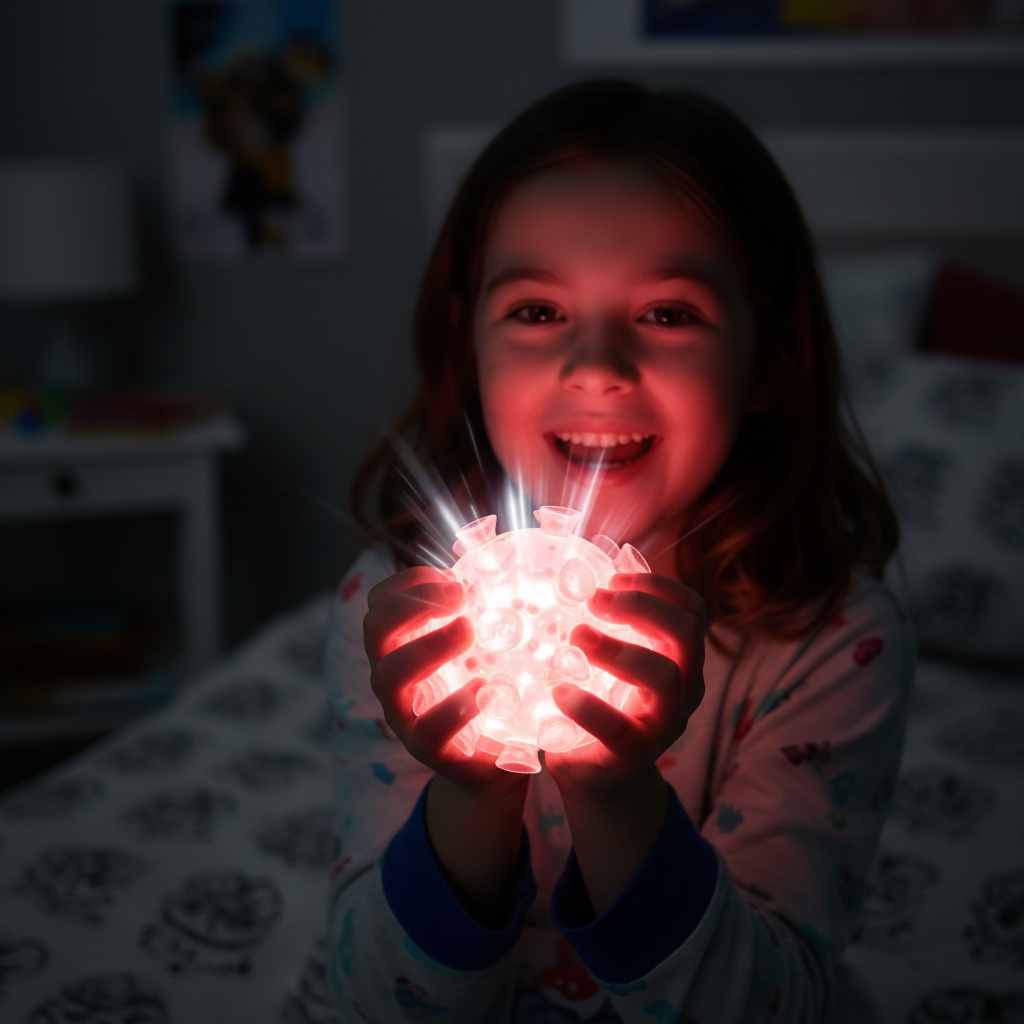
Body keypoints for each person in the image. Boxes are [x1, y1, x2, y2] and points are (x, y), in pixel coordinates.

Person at [324, 79, 912, 1023]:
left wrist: (616, 797)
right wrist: (473, 790)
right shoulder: (397, 615)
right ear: (467, 345)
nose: (597, 366)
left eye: (668, 313)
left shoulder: (833, 642)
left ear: (767, 362)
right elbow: (375, 1002)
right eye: (538, 311)